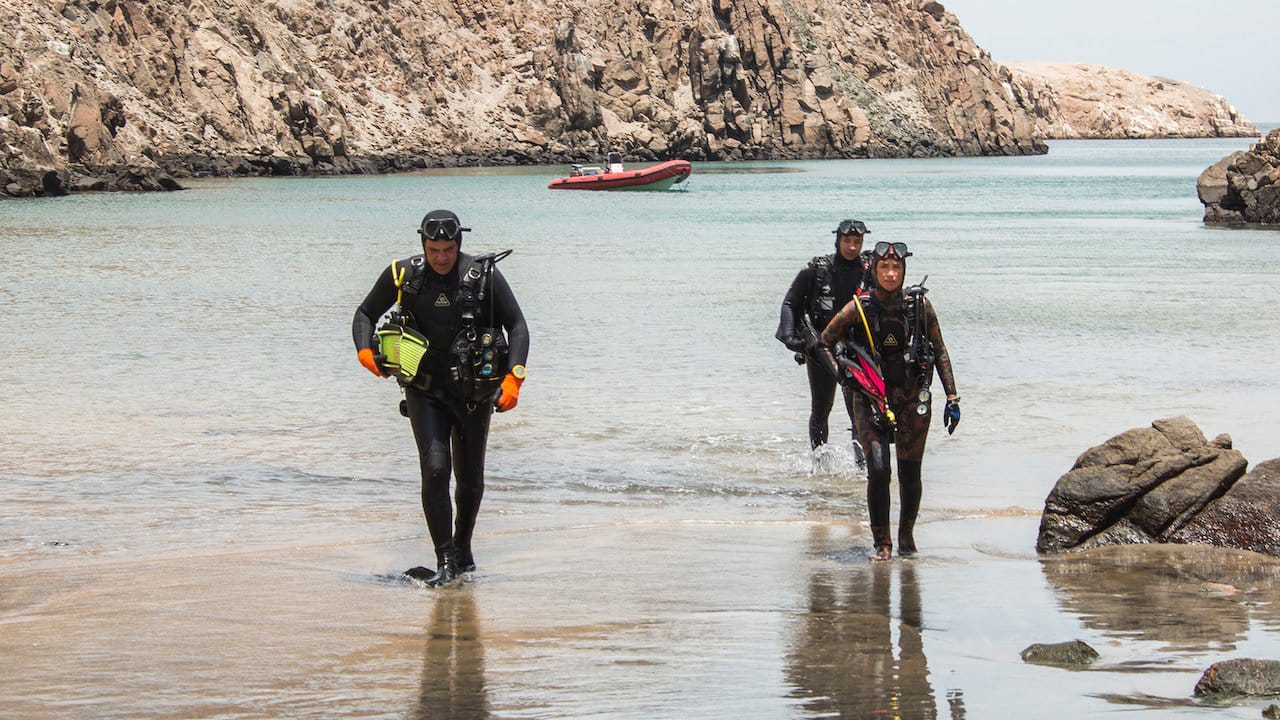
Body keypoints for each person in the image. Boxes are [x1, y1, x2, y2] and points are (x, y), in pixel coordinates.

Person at [352, 209, 530, 587]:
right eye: (433, 250)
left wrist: (514, 377)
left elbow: (517, 326)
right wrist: (365, 352)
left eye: (448, 249)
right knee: (435, 470)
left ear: (458, 244)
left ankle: (464, 552)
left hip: (472, 392)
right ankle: (445, 559)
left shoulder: (483, 276)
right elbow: (366, 313)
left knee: (470, 478)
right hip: (425, 389)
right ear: (423, 244)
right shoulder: (404, 275)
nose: (441, 258)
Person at [817, 241, 959, 560]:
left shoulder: (920, 307)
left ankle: (906, 538)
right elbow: (824, 342)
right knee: (879, 471)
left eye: (896, 268)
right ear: (875, 271)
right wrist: (843, 376)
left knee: (911, 474)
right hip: (870, 400)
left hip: (911, 400)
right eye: (884, 268)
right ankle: (882, 544)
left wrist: (952, 396)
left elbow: (940, 351)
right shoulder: (859, 307)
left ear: (904, 270)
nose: (891, 274)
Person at [775, 219, 872, 451]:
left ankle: (862, 467)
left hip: (857, 348)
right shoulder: (817, 271)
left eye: (857, 242)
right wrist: (790, 337)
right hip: (821, 346)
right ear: (837, 241)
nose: (852, 247)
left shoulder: (869, 271)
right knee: (821, 408)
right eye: (847, 241)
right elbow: (790, 303)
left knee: (859, 409)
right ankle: (819, 462)